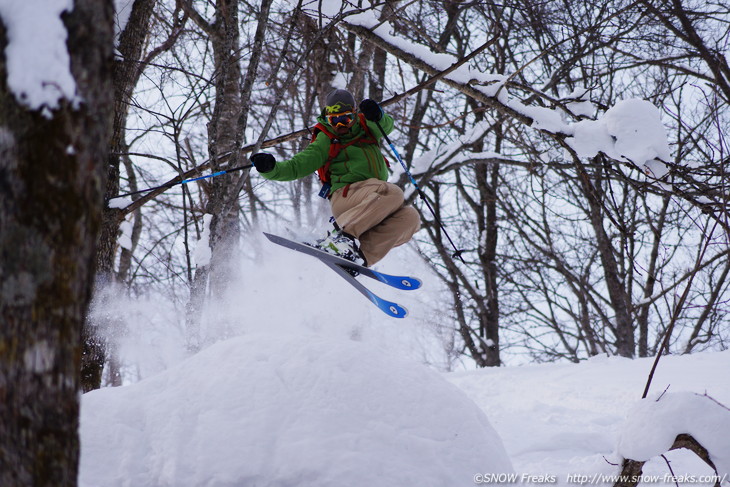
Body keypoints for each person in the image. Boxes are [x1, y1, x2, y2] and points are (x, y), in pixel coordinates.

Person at [250, 88, 420, 268]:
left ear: (354, 114)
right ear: (328, 118)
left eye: (345, 119)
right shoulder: (326, 138)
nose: (340, 125)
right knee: (391, 192)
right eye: (334, 120)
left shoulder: (366, 127)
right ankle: (340, 237)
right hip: (346, 197)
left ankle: (359, 258)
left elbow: (385, 126)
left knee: (410, 217)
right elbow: (296, 166)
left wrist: (376, 114)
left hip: (372, 202)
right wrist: (270, 168)